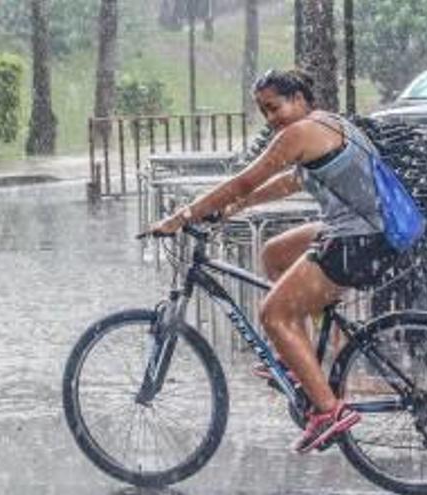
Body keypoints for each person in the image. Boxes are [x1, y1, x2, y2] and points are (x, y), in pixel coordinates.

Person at [144, 69, 400, 453]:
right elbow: (292, 182)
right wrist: (237, 207)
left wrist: (183, 216)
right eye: (264, 112)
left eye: (275, 107)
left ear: (299, 98)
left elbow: (243, 179)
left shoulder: (299, 133)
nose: (271, 118)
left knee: (273, 314)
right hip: (365, 229)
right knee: (274, 253)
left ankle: (329, 411)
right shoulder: (325, 123)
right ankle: (299, 364)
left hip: (358, 239)